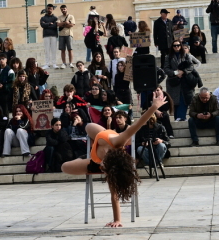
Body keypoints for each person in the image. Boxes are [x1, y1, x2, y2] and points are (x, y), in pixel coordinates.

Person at [61, 90, 166, 227]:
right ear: (109, 161)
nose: (104, 169)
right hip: (102, 136)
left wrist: (117, 220)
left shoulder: (111, 170)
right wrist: (154, 107)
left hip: (94, 160)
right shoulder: (117, 141)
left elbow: (114, 195)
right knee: (88, 126)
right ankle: (89, 152)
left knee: (64, 167)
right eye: (105, 166)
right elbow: (138, 124)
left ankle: (85, 158)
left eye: (105, 168)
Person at [164, 40, 198, 121]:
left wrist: (183, 72)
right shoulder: (168, 57)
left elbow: (191, 66)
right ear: (172, 47)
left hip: (184, 80)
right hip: (173, 81)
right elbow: (166, 69)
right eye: (175, 45)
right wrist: (176, 73)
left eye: (178, 45)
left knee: (184, 99)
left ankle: (182, 117)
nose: (177, 47)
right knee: (175, 100)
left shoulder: (186, 56)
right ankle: (177, 117)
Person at [40, 3, 59, 69]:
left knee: (54, 50)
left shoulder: (55, 18)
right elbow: (42, 25)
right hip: (46, 35)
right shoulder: (43, 18)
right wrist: (50, 24)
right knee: (47, 50)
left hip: (53, 35)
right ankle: (47, 64)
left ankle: (54, 63)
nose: (49, 10)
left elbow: (55, 25)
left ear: (53, 9)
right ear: (46, 9)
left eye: (51, 8)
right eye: (48, 8)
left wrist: (47, 24)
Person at [57, 4, 76, 69]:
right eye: (62, 9)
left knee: (70, 49)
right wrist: (66, 23)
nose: (63, 10)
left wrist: (63, 23)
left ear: (66, 9)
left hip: (69, 34)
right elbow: (58, 24)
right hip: (61, 35)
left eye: (64, 9)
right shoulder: (59, 17)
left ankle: (70, 63)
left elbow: (72, 25)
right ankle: (64, 63)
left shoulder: (71, 16)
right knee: (62, 50)